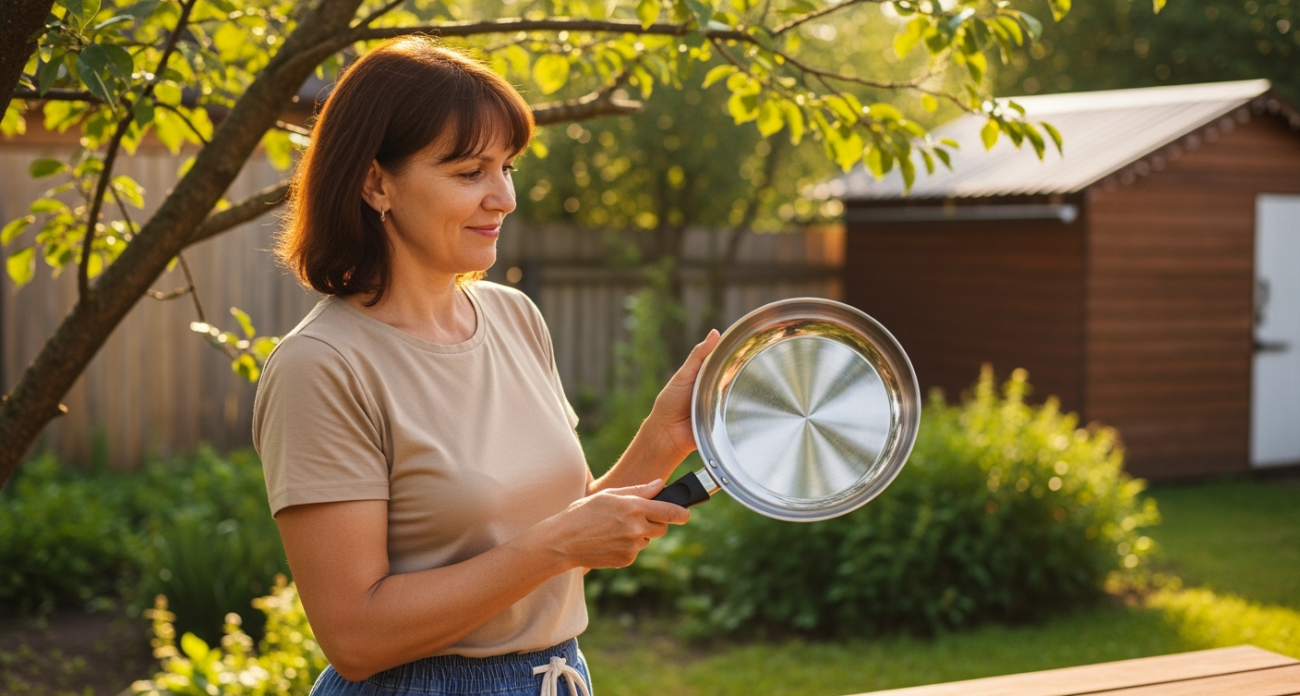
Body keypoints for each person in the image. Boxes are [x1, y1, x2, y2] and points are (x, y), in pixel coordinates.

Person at [252, 37, 720, 696]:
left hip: (556, 677)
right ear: (375, 183)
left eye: (508, 168)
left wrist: (662, 440)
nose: (504, 197)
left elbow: (560, 538)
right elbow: (354, 637)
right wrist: (558, 544)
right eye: (471, 172)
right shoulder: (322, 366)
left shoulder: (513, 316)